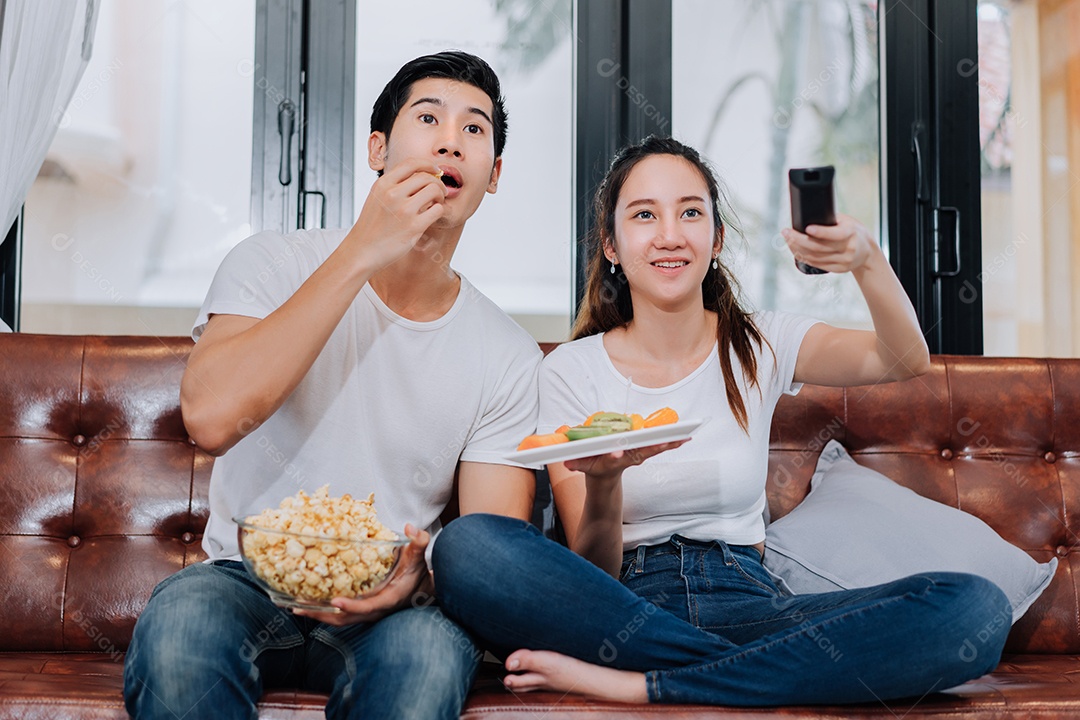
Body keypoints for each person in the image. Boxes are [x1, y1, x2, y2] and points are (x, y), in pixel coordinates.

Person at [432, 136, 1010, 706]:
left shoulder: (761, 343)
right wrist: (605, 481)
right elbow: (594, 571)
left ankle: (649, 682)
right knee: (468, 547)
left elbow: (904, 360)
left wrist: (867, 261)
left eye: (690, 212)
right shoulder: (570, 371)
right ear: (611, 244)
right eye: (643, 215)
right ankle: (740, 674)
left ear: (716, 240)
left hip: (751, 606)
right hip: (618, 609)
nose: (669, 234)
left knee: (974, 607)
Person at [123, 51, 542, 720]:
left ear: (492, 176)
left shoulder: (508, 354)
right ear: (378, 149)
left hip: (393, 608)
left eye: (474, 129)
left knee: (426, 663)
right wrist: (362, 252)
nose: (448, 140)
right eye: (428, 117)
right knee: (181, 637)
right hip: (244, 582)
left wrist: (417, 582)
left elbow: (490, 549)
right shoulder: (270, 262)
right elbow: (211, 418)